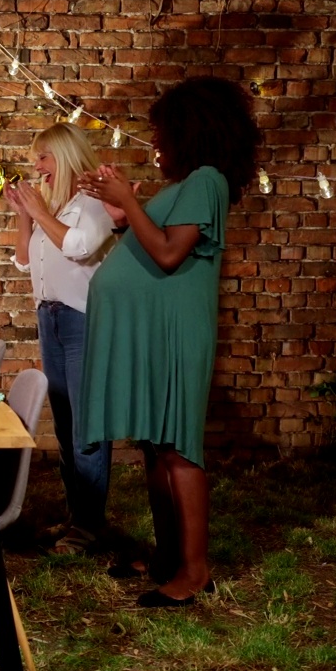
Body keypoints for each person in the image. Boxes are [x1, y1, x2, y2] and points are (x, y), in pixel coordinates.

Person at [77, 76, 260, 607]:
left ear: (190, 131)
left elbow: (169, 254)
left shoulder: (206, 180)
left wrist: (127, 205)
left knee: (179, 448)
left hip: (176, 333)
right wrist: (120, 216)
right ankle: (166, 556)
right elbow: (149, 243)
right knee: (156, 447)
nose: (154, 144)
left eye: (161, 134)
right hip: (155, 329)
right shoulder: (185, 187)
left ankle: (195, 570)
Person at [3, 123, 118, 556]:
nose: (38, 166)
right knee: (67, 422)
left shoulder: (94, 201)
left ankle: (88, 528)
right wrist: (23, 214)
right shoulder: (57, 205)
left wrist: (39, 213)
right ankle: (76, 518)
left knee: (87, 426)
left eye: (44, 157)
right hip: (49, 318)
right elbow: (22, 261)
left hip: (81, 320)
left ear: (66, 156)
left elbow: (79, 248)